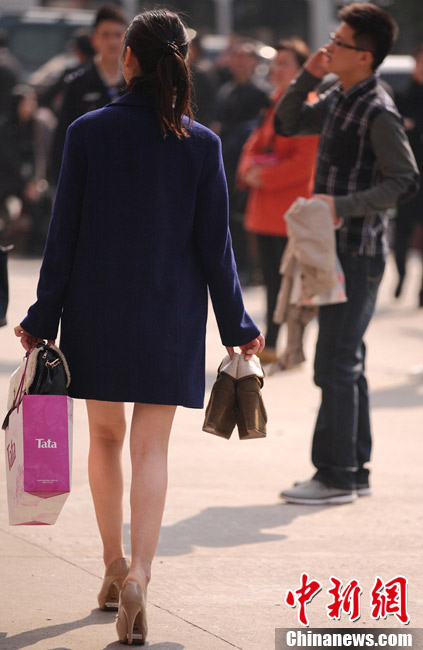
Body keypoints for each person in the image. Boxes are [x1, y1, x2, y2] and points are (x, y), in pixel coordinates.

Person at [14, 9, 264, 646]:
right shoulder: (202, 143)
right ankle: (142, 578)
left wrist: (43, 317)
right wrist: (236, 323)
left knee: (104, 437)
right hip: (171, 313)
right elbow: (217, 248)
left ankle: (111, 562)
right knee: (152, 446)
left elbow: (61, 235)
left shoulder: (88, 132)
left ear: (128, 60)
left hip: (97, 309)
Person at [274, 3, 419, 505]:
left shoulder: (377, 108)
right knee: (346, 360)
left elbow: (405, 180)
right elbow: (289, 124)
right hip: (333, 254)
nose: (328, 47)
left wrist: (342, 205)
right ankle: (353, 471)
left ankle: (333, 475)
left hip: (358, 254)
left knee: (333, 364)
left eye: (338, 42)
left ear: (365, 55)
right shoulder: (340, 93)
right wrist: (308, 77)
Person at [237, 39, 319, 364]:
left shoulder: (307, 106)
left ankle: (282, 346)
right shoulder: (273, 104)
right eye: (276, 62)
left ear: (301, 72)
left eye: (285, 62)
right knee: (272, 279)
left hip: (290, 209)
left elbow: (303, 162)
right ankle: (274, 345)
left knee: (291, 285)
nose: (276, 68)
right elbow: (252, 147)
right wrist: (248, 171)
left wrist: (262, 177)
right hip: (267, 208)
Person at [212, 41, 270, 283]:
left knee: (250, 216)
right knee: (231, 215)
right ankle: (237, 265)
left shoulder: (261, 93)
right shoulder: (225, 91)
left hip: (251, 164)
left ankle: (255, 268)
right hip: (227, 160)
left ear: (255, 62)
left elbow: (262, 130)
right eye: (236, 56)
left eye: (246, 57)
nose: (241, 62)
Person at [50, 4, 127, 182]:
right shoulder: (78, 83)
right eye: (105, 35)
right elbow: (64, 135)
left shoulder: (136, 82)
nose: (113, 42)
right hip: (89, 175)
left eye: (118, 34)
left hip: (128, 176)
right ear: (94, 40)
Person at [0, 85, 53, 255]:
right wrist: (26, 184)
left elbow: (39, 156)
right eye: (27, 102)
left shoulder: (35, 126)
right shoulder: (5, 127)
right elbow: (11, 161)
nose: (31, 106)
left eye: (33, 101)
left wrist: (37, 180)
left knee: (42, 199)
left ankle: (37, 245)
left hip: (28, 180)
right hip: (7, 179)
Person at [393, 45, 423, 306]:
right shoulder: (402, 95)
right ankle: (401, 276)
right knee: (401, 232)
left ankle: (422, 290)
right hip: (406, 175)